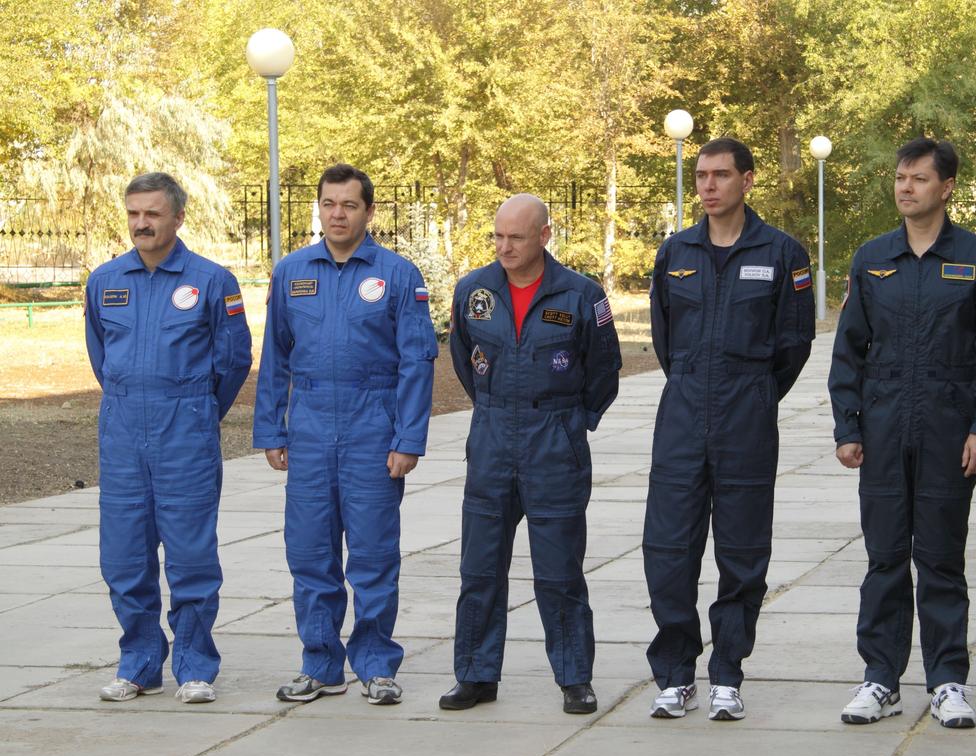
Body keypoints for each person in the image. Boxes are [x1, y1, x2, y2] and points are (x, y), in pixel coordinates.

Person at [829, 137, 976, 729]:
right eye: (900, 177)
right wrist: (848, 425)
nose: (905, 187)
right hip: (883, 432)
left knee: (940, 560)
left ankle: (946, 681)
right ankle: (880, 679)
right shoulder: (872, 258)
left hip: (947, 433)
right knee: (885, 559)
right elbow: (848, 352)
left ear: (946, 187)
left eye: (917, 178)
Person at [643, 137, 815, 721]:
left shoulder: (783, 252)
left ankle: (727, 674)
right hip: (683, 415)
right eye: (700, 176)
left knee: (742, 553)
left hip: (747, 418)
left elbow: (795, 341)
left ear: (747, 180)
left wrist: (756, 392)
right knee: (668, 549)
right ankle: (674, 673)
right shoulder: (676, 252)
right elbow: (666, 341)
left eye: (720, 175)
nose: (708, 186)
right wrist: (695, 385)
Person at [254, 163, 437, 706]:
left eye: (349, 205)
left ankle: (376, 664)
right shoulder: (291, 272)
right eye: (329, 204)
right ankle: (320, 664)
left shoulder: (398, 275)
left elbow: (417, 362)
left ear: (368, 212)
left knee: (374, 556)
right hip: (310, 430)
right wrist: (271, 428)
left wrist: (408, 439)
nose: (337, 214)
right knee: (310, 554)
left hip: (372, 430)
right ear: (319, 208)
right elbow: (275, 359)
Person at [439, 193, 621, 715]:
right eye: (497, 236)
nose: (504, 247)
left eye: (515, 237)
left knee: (559, 571)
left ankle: (574, 678)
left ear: (544, 235)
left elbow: (604, 369)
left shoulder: (583, 294)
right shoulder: (474, 290)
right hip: (493, 439)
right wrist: (495, 409)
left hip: (554, 442)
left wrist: (572, 422)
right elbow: (464, 358)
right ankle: (475, 674)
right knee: (479, 568)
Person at [85, 172, 252, 703]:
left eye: (153, 213)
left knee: (191, 559)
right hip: (123, 436)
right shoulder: (105, 280)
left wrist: (198, 409)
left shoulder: (210, 281)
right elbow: (99, 356)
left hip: (186, 436)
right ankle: (138, 662)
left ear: (178, 217)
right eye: (134, 213)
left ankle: (196, 664)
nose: (141, 223)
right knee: (123, 559)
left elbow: (233, 360)